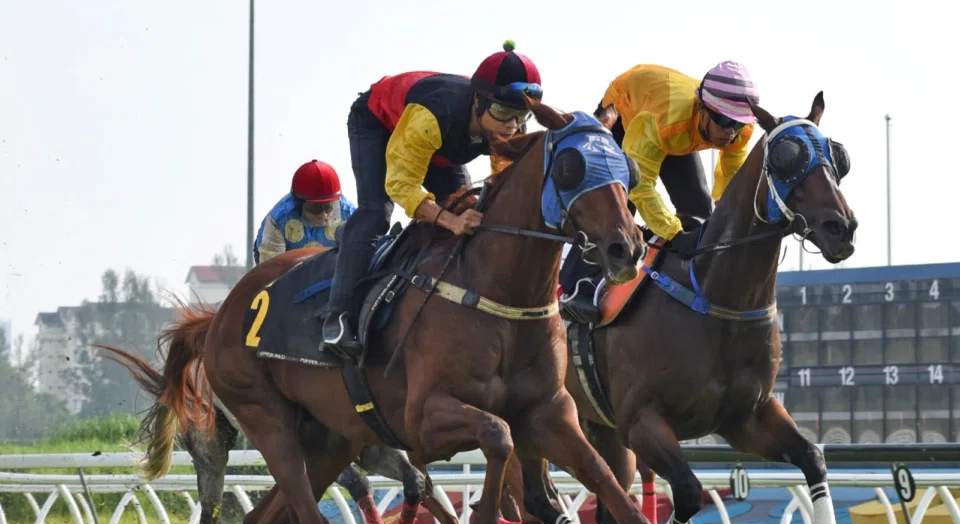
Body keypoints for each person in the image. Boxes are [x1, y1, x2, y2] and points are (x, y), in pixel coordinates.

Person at [321, 40, 543, 358]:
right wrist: (449, 220)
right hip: (379, 122)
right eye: (503, 112)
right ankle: (337, 318)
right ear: (478, 102)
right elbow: (401, 184)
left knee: (469, 207)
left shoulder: (504, 123)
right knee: (375, 214)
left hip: (440, 142)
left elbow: (504, 181)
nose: (512, 125)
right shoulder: (433, 116)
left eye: (521, 116)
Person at [559, 61, 759, 323]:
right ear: (703, 109)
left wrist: (727, 216)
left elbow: (731, 180)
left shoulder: (740, 132)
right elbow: (640, 186)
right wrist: (673, 232)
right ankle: (576, 286)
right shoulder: (665, 120)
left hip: (674, 129)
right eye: (722, 120)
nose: (729, 131)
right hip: (628, 113)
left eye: (737, 123)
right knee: (619, 208)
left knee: (699, 210)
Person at [252, 160, 356, 265]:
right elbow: (272, 272)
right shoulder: (277, 221)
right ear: (299, 204)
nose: (324, 214)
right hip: (281, 261)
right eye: (316, 208)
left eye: (328, 207)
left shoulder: (352, 218)